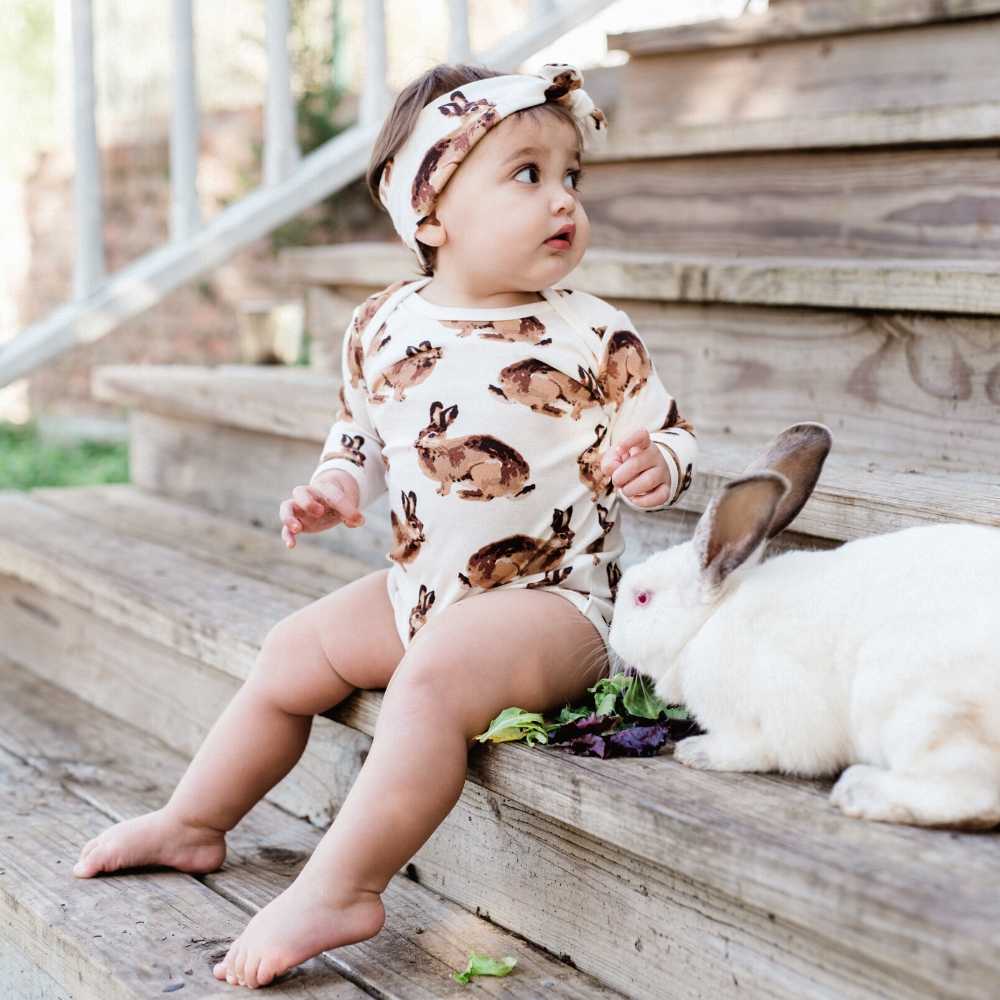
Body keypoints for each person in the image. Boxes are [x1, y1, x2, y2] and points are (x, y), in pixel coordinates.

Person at [71, 61, 698, 989]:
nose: (562, 198)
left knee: (434, 682)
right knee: (293, 653)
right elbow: (358, 431)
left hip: (556, 612)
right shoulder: (382, 323)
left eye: (571, 176)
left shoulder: (592, 333)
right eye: (527, 175)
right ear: (431, 216)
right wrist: (333, 483)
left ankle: (343, 887)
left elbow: (672, 437)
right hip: (423, 593)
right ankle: (194, 820)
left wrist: (656, 468)